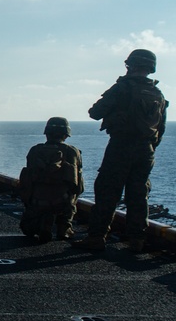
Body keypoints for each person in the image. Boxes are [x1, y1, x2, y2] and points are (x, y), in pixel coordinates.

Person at [74, 49, 167, 252]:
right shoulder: (158, 94)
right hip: (146, 150)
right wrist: (149, 147)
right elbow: (161, 128)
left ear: (131, 65)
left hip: (121, 146)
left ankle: (97, 237)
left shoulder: (122, 88)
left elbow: (95, 112)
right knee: (139, 194)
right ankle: (137, 240)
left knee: (107, 190)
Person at [18, 117, 84, 243]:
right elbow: (78, 186)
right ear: (65, 134)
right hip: (62, 201)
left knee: (28, 229)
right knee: (73, 193)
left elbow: (27, 181)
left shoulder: (35, 150)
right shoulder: (72, 151)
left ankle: (40, 223)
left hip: (36, 202)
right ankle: (64, 227)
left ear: (47, 133)